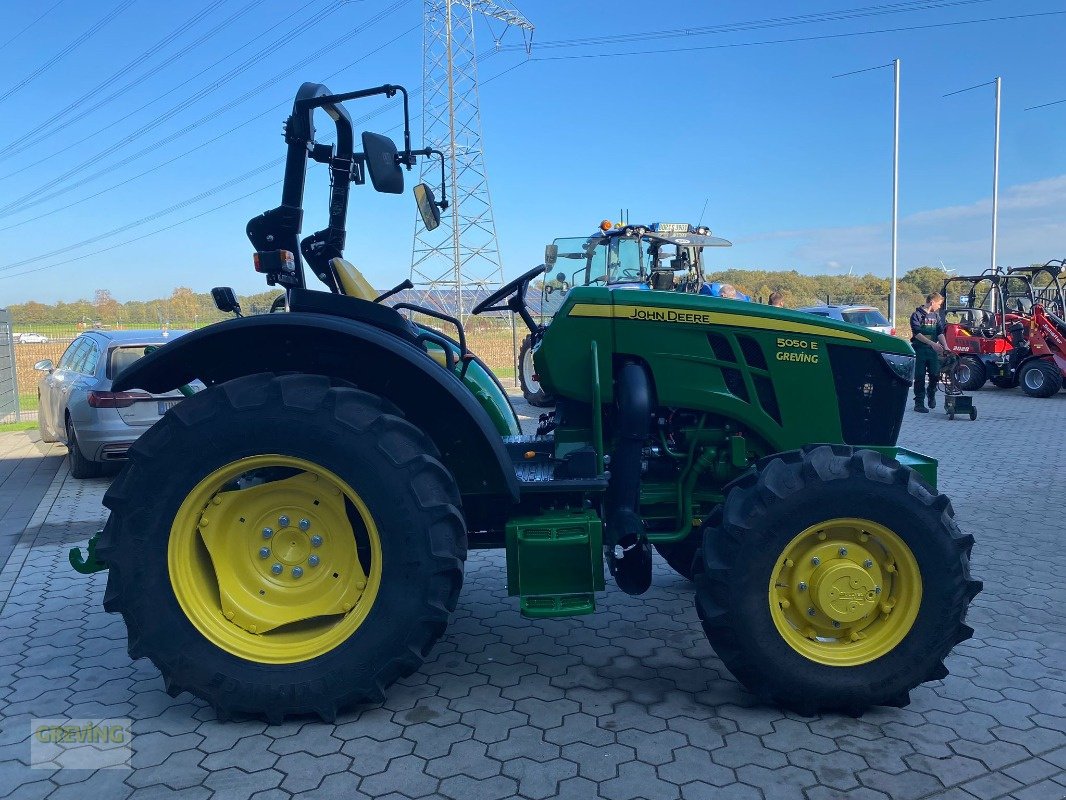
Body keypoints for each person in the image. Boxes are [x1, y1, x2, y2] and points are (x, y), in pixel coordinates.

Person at [909, 292, 948, 413]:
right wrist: (932, 344)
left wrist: (946, 347)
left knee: (934, 375)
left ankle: (931, 394)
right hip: (919, 350)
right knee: (920, 377)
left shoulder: (936, 317)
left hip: (932, 352)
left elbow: (940, 332)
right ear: (932, 302)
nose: (940, 307)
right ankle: (919, 403)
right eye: (939, 304)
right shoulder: (916, 315)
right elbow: (917, 334)